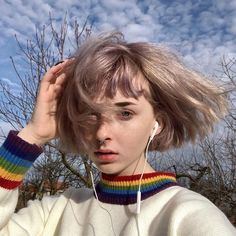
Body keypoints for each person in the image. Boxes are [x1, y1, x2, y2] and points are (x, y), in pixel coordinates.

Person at [0, 32, 235, 236]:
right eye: (91, 114)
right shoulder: (57, 209)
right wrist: (33, 135)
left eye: (125, 113)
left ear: (157, 123)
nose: (101, 133)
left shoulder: (188, 215)